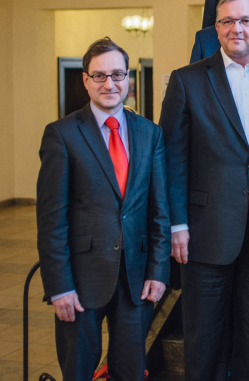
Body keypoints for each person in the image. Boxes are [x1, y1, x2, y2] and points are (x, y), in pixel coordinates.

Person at [160, 0, 249, 380]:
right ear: (216, 28)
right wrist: (177, 224)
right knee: (204, 343)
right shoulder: (187, 81)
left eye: (244, 20)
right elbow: (171, 158)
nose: (235, 28)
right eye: (226, 21)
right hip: (204, 235)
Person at [36, 37, 171, 381]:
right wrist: (59, 286)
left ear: (128, 78)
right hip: (80, 281)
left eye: (117, 74)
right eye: (99, 76)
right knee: (79, 370)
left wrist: (158, 270)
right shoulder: (62, 135)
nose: (109, 84)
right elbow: (52, 219)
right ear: (85, 79)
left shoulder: (149, 133)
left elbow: (158, 209)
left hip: (136, 278)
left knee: (129, 371)